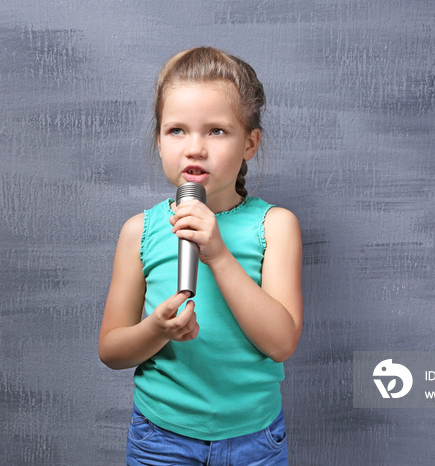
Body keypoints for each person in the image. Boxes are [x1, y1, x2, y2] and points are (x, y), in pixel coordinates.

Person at [99, 46, 303, 465]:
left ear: (250, 143)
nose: (194, 148)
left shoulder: (275, 226)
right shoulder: (139, 231)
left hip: (254, 441)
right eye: (176, 130)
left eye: (216, 131)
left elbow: (281, 343)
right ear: (158, 141)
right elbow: (112, 350)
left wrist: (219, 255)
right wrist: (156, 329)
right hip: (161, 440)